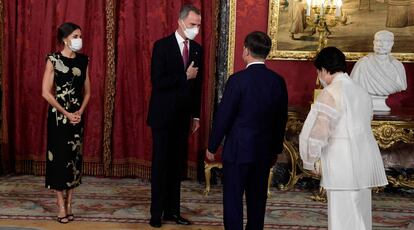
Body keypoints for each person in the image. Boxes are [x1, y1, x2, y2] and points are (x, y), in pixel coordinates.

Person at [206, 31, 288, 230]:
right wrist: (276, 150)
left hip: (238, 151)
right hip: (264, 152)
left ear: (246, 50)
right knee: (257, 201)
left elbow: (224, 116)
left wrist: (212, 145)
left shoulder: (237, 80)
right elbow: (281, 120)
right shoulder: (277, 81)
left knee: (233, 199)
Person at [299, 47, 388, 230]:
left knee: (342, 214)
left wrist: (312, 159)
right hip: (364, 158)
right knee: (360, 212)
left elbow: (320, 131)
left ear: (324, 70)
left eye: (318, 72)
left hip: (341, 161)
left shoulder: (331, 92)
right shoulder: (362, 91)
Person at [147, 4, 203, 228]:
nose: (195, 29)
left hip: (183, 118)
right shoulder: (161, 46)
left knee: (176, 167)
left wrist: (196, 116)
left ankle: (173, 212)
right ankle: (156, 213)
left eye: (198, 25)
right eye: (192, 25)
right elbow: (158, 82)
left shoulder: (197, 49)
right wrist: (183, 75)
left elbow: (197, 85)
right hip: (162, 117)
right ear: (180, 22)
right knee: (161, 165)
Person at [42, 22, 91, 224]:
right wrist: (66, 112)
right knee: (59, 160)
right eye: (75, 36)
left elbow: (88, 91)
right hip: (58, 117)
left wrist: (79, 111)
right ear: (65, 39)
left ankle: (70, 203)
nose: (79, 40)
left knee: (74, 159)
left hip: (77, 118)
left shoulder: (83, 61)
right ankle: (60, 204)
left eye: (80, 36)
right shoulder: (53, 60)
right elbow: (45, 92)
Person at [350, 30, 407, 111]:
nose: (381, 44)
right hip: (364, 109)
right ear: (374, 42)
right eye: (378, 40)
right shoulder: (363, 64)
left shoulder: (398, 66)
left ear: (392, 43)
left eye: (386, 41)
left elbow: (402, 86)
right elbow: (354, 85)